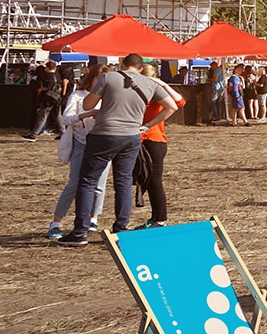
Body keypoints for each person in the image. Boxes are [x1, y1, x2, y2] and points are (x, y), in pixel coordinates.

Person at [54, 53, 178, 246]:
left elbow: (87, 104)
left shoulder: (108, 77)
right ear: (140, 68)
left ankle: (80, 231)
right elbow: (172, 106)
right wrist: (146, 125)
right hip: (131, 137)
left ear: (122, 63)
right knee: (123, 182)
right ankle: (121, 228)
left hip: (104, 134)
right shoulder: (149, 83)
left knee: (87, 181)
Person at [44, 64, 110, 240]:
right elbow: (66, 118)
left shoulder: (109, 97)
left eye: (105, 81)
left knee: (99, 185)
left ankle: (93, 219)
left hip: (103, 144)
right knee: (74, 183)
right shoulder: (78, 95)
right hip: (81, 142)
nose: (101, 84)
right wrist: (85, 115)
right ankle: (56, 222)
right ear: (92, 79)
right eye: (99, 80)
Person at [136, 63, 185, 229]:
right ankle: (155, 217)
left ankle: (160, 219)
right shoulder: (137, 93)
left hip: (154, 140)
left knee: (155, 181)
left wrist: (162, 84)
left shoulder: (158, 93)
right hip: (139, 140)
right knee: (147, 181)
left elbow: (180, 102)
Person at [22, 59, 63, 140]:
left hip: (49, 98)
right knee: (57, 116)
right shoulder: (57, 76)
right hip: (57, 98)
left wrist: (41, 89)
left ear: (47, 68)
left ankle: (33, 134)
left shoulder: (47, 76)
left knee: (43, 115)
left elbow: (48, 87)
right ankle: (63, 133)